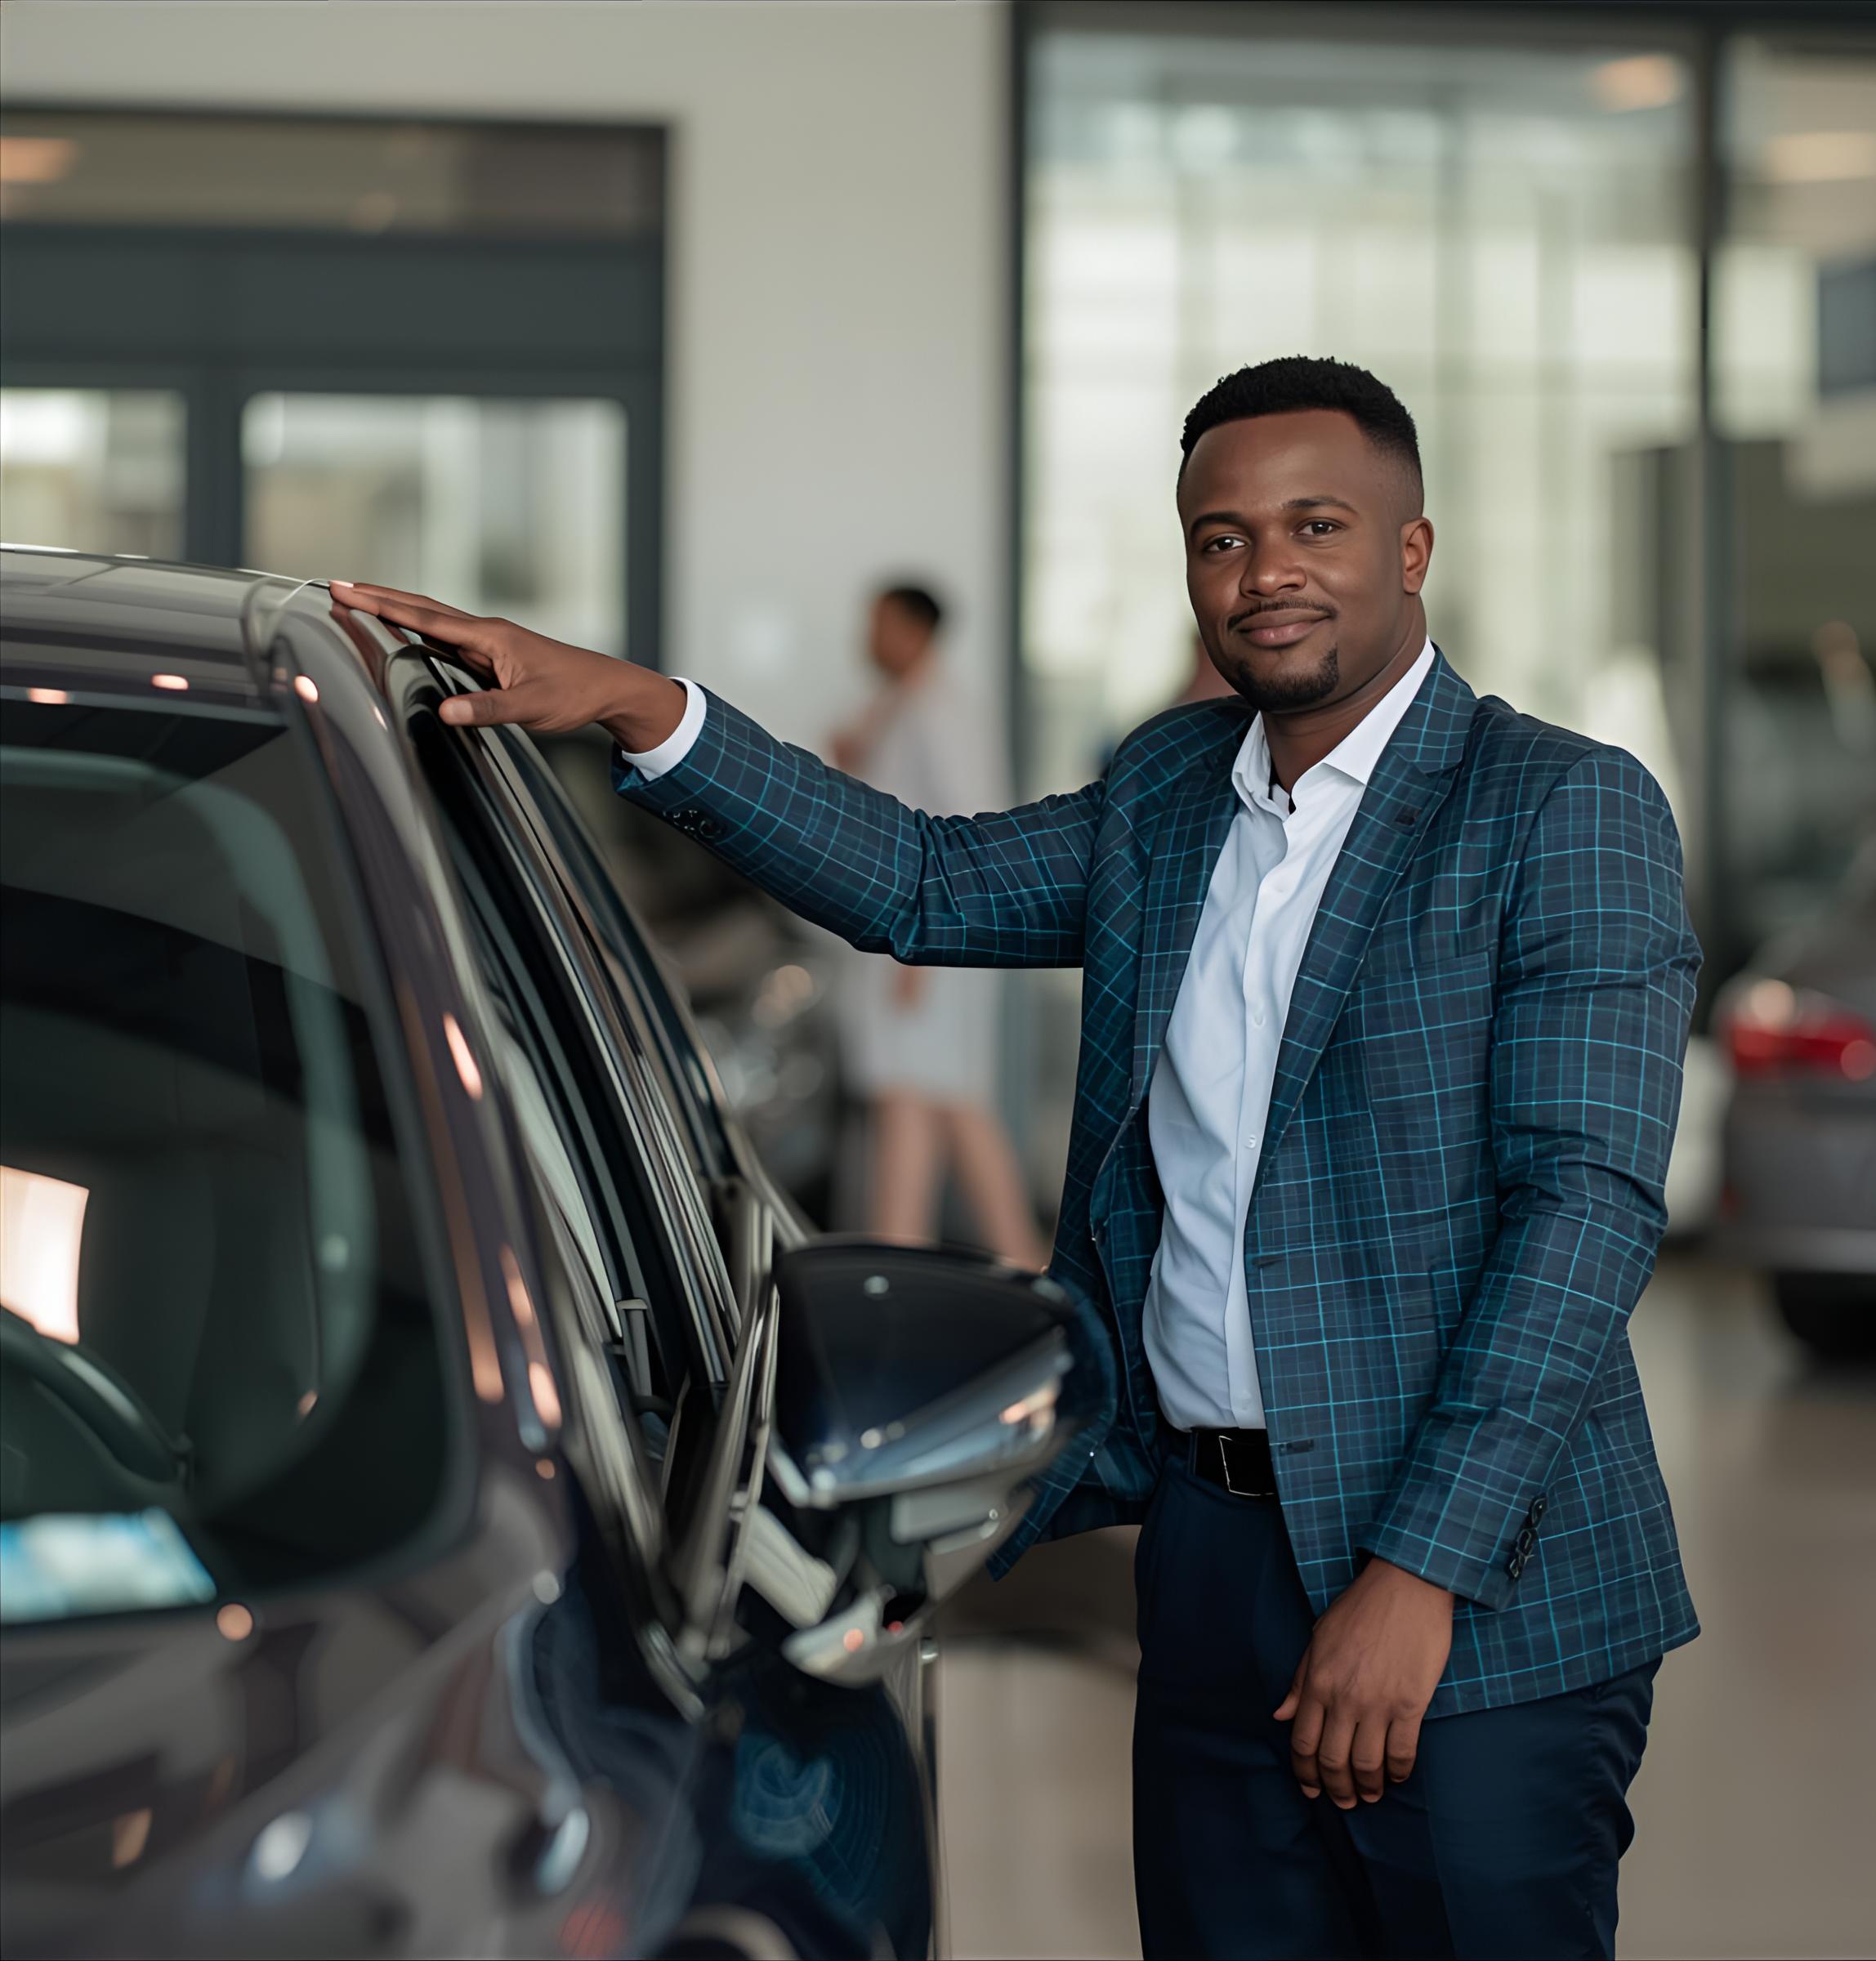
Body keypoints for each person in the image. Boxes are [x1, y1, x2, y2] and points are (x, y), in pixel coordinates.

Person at [331, 353, 1700, 1961]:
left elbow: (1583, 1212)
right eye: (1220, 538)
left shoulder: (1560, 808)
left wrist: (1417, 1577)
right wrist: (643, 707)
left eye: (1314, 525)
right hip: (1205, 1561)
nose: (1263, 574)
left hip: (1481, 1596)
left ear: (1412, 548)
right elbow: (919, 882)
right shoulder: (1172, 795)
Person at [827, 583, 1045, 1267]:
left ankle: (1012, 1255)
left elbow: (970, 831)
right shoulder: (906, 704)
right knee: (920, 1104)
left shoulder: (939, 710)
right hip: (917, 944)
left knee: (940, 1101)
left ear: (910, 629)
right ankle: (908, 1257)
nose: (866, 637)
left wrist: (926, 955)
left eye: (876, 622)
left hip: (930, 948)